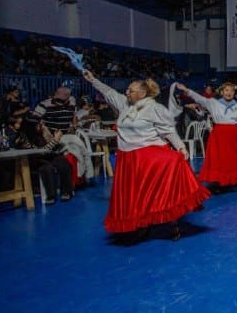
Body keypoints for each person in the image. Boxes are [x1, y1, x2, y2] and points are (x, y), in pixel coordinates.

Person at [83, 70, 209, 239]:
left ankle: (172, 222)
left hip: (150, 157)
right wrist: (93, 79)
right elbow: (109, 92)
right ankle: (142, 224)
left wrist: (180, 147)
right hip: (128, 159)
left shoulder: (155, 108)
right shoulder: (125, 104)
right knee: (136, 196)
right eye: (127, 90)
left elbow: (168, 131)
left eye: (131, 91)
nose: (127, 92)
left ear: (142, 93)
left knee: (158, 193)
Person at [178, 82, 237, 194]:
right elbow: (200, 99)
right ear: (222, 92)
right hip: (219, 136)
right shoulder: (213, 103)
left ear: (234, 93)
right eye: (226, 90)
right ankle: (220, 182)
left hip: (235, 135)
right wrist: (187, 90)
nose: (229, 93)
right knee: (221, 159)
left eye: (231, 91)